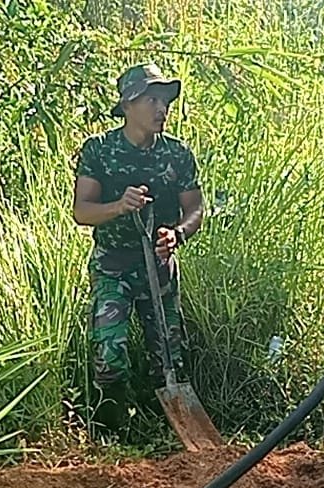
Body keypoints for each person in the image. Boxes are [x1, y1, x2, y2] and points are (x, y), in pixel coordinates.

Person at [72, 63, 205, 436]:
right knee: (109, 356)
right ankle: (111, 435)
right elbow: (82, 211)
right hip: (112, 266)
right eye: (152, 100)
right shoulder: (99, 150)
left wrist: (177, 234)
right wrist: (119, 206)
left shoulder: (177, 154)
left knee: (170, 358)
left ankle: (167, 434)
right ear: (128, 105)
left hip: (159, 268)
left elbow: (195, 208)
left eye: (165, 101)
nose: (162, 109)